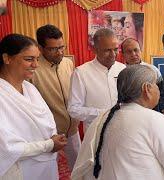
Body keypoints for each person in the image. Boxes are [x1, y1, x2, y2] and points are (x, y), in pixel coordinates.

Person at [71, 65, 164, 180]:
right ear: (147, 89)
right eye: (157, 85)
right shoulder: (155, 120)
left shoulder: (102, 118)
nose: (159, 90)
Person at [0, 34, 67, 179]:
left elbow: (47, 123)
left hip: (46, 164)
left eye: (37, 59)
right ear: (7, 58)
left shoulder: (30, 88)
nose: (36, 65)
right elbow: (7, 147)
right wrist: (49, 145)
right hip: (19, 169)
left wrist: (54, 138)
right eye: (29, 59)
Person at [31, 24, 80, 170]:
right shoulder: (33, 69)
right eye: (53, 49)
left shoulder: (68, 63)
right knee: (49, 171)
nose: (59, 53)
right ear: (40, 48)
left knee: (78, 168)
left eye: (61, 47)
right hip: (48, 135)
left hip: (73, 130)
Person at [68, 28, 126, 131]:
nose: (113, 54)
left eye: (116, 49)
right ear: (94, 49)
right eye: (107, 50)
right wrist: (104, 113)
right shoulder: (81, 73)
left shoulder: (122, 69)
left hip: (122, 130)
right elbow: (73, 109)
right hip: (96, 133)